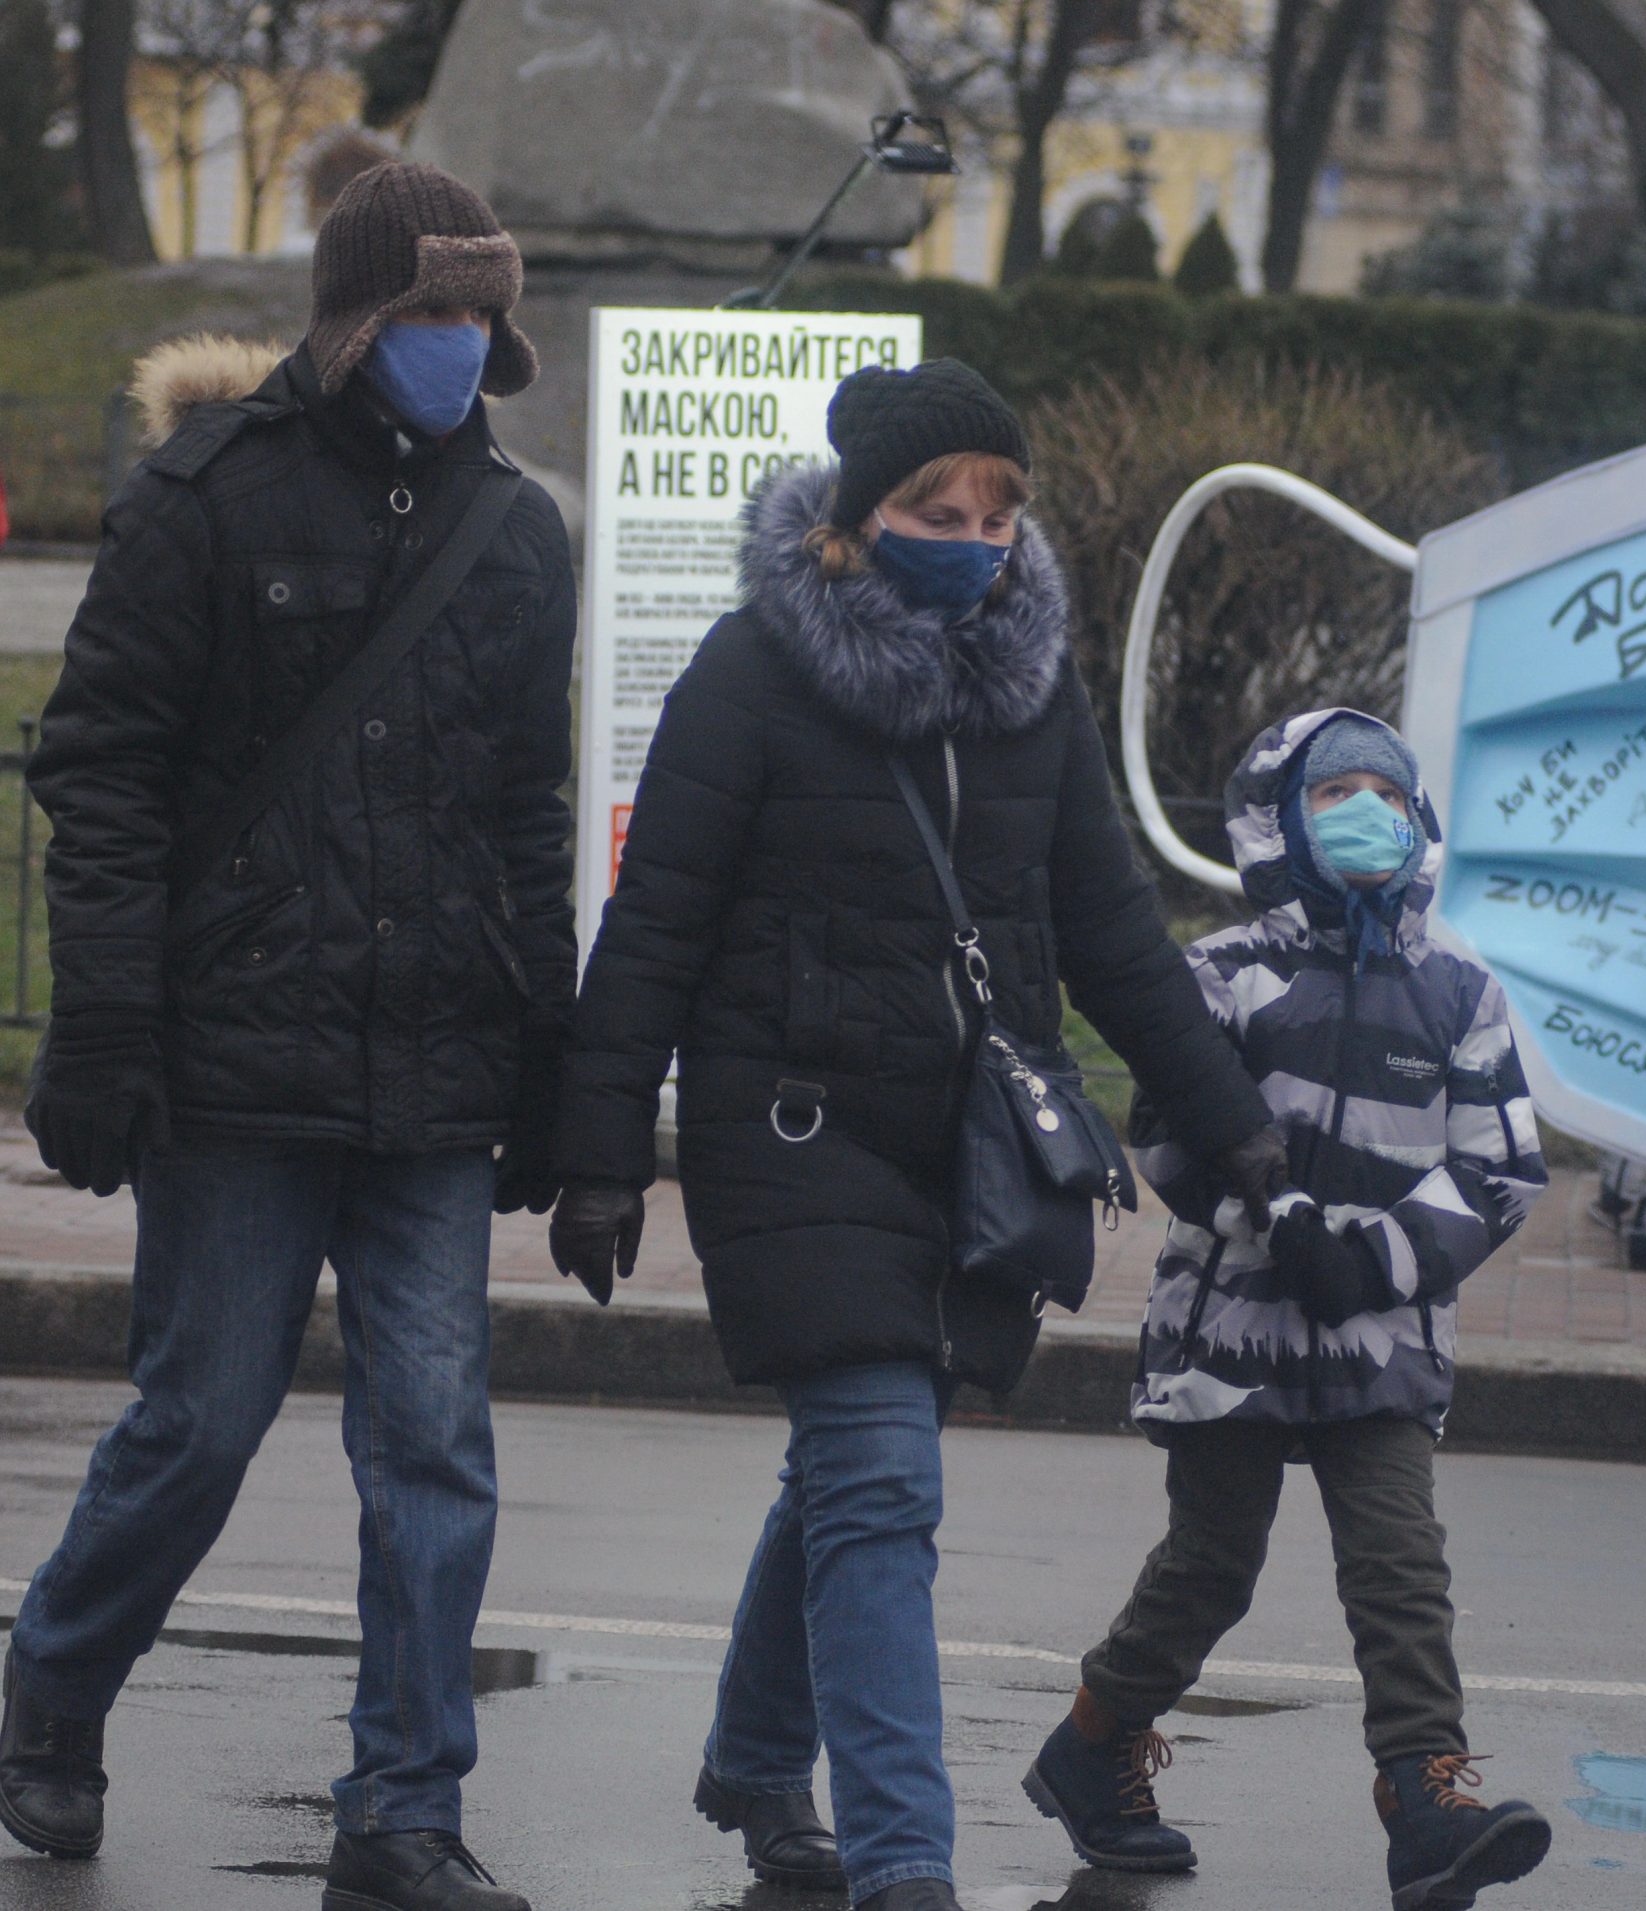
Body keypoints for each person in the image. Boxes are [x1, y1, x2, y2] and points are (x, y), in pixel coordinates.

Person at [545, 359, 1287, 1911]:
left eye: (997, 514)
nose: (973, 540)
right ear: (854, 518)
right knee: (883, 1475)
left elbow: (1111, 931)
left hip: (970, 1146)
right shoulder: (752, 670)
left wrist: (1237, 1128)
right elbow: (658, 916)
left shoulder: (1032, 686)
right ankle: (904, 1858)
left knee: (850, 1471)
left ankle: (760, 1758)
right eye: (936, 512)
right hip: (792, 1126)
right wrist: (603, 1147)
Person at [0, 165, 574, 1911]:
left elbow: (529, 814)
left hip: (435, 1073)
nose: (461, 343)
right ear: (358, 321)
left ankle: (403, 1806)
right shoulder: (206, 498)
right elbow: (101, 771)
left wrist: (552, 1064)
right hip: (239, 1063)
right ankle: (50, 1683)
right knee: (199, 1422)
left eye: (481, 315)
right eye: (432, 313)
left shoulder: (518, 531)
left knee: (435, 1446)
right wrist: (105, 1022)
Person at [1023, 709, 1554, 1910]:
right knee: (1210, 1567)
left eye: (1387, 792)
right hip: (1232, 1329)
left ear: (1417, 818)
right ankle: (1094, 1742)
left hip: (1383, 1333)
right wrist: (1278, 1223)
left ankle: (1425, 1799)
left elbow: (1499, 1166)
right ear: (1282, 820)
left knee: (1400, 1568)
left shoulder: (1458, 992)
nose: (1365, 811)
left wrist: (1375, 1262)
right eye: (1333, 792)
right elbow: (1169, 1131)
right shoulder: (1222, 975)